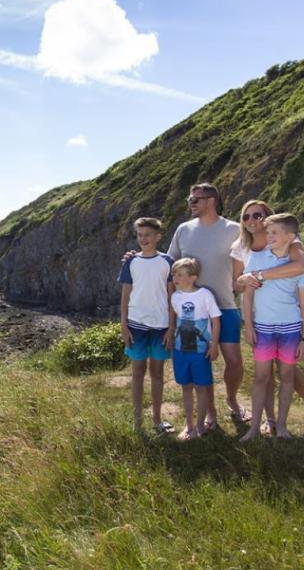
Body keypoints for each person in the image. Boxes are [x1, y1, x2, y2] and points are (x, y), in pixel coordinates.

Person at [231, 200, 304, 431]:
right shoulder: (241, 246)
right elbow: (236, 284)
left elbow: (301, 266)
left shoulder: (288, 241)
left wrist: (260, 275)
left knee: (287, 369)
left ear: (267, 217)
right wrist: (243, 280)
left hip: (286, 319)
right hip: (259, 317)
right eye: (246, 217)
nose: (251, 221)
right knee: (263, 374)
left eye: (257, 215)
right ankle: (269, 419)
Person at [163, 183, 246, 428]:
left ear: (212, 200)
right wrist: (136, 258)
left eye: (195, 199)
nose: (190, 203)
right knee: (203, 363)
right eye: (190, 199)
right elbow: (169, 263)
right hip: (192, 315)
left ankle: (232, 401)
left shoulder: (234, 229)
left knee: (234, 361)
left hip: (226, 306)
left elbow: (251, 257)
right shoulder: (183, 229)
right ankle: (210, 413)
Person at [240, 213, 304, 441]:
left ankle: (281, 426)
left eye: (274, 233)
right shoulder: (257, 259)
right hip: (262, 328)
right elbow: (247, 297)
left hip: (291, 329)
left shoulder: (299, 266)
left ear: (290, 237)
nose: (268, 236)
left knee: (287, 376)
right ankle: (254, 428)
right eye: (268, 232)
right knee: (261, 377)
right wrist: (248, 326)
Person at [118, 217, 175, 435]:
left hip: (161, 325)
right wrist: (123, 324)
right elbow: (125, 294)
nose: (143, 239)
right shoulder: (131, 262)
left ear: (158, 236)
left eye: (148, 235)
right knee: (137, 372)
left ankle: (157, 419)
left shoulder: (168, 261)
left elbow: (172, 296)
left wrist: (171, 327)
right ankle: (137, 420)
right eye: (140, 235)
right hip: (136, 324)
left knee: (157, 373)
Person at [168, 258, 220, 440]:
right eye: (174, 274)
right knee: (186, 387)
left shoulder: (204, 294)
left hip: (200, 351)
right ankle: (189, 426)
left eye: (180, 274)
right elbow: (177, 321)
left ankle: (200, 426)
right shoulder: (175, 297)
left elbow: (215, 320)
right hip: (180, 350)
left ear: (193, 277)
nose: (176, 277)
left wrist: (214, 345)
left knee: (201, 388)